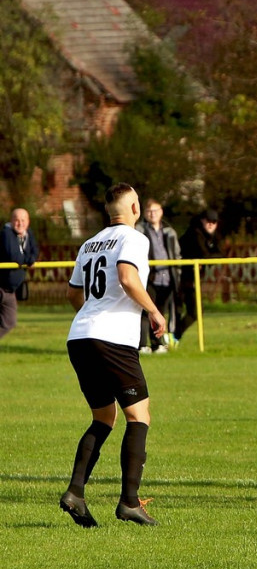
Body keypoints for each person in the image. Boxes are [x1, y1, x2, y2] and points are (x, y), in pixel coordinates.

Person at [59, 183, 166, 528]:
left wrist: (91, 313)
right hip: (113, 339)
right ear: (134, 208)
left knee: (104, 418)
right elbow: (127, 277)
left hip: (80, 336)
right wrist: (153, 311)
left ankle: (75, 492)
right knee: (139, 415)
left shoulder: (90, 242)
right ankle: (129, 502)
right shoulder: (134, 238)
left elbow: (74, 292)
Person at [136, 199, 181, 353]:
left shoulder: (169, 232)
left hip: (167, 277)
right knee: (145, 311)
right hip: (150, 278)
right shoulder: (140, 230)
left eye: (155, 210)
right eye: (149, 211)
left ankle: (157, 344)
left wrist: (177, 273)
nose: (152, 214)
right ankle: (142, 344)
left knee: (160, 312)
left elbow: (176, 254)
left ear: (161, 212)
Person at [174, 208, 222, 342]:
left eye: (214, 222)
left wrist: (211, 257)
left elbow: (220, 254)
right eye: (208, 221)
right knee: (184, 311)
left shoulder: (213, 236)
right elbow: (204, 255)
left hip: (192, 279)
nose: (211, 224)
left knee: (194, 312)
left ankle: (173, 337)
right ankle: (171, 337)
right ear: (202, 221)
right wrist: (211, 257)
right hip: (181, 277)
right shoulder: (195, 233)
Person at [0, 208, 40, 340]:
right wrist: (28, 260)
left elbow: (34, 251)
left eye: (23, 220)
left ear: (28, 222)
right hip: (1, 285)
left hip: (10, 290)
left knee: (10, 321)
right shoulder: (7, 234)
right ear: (11, 221)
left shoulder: (28, 234)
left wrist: (31, 259)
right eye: (16, 220)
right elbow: (13, 255)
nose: (20, 223)